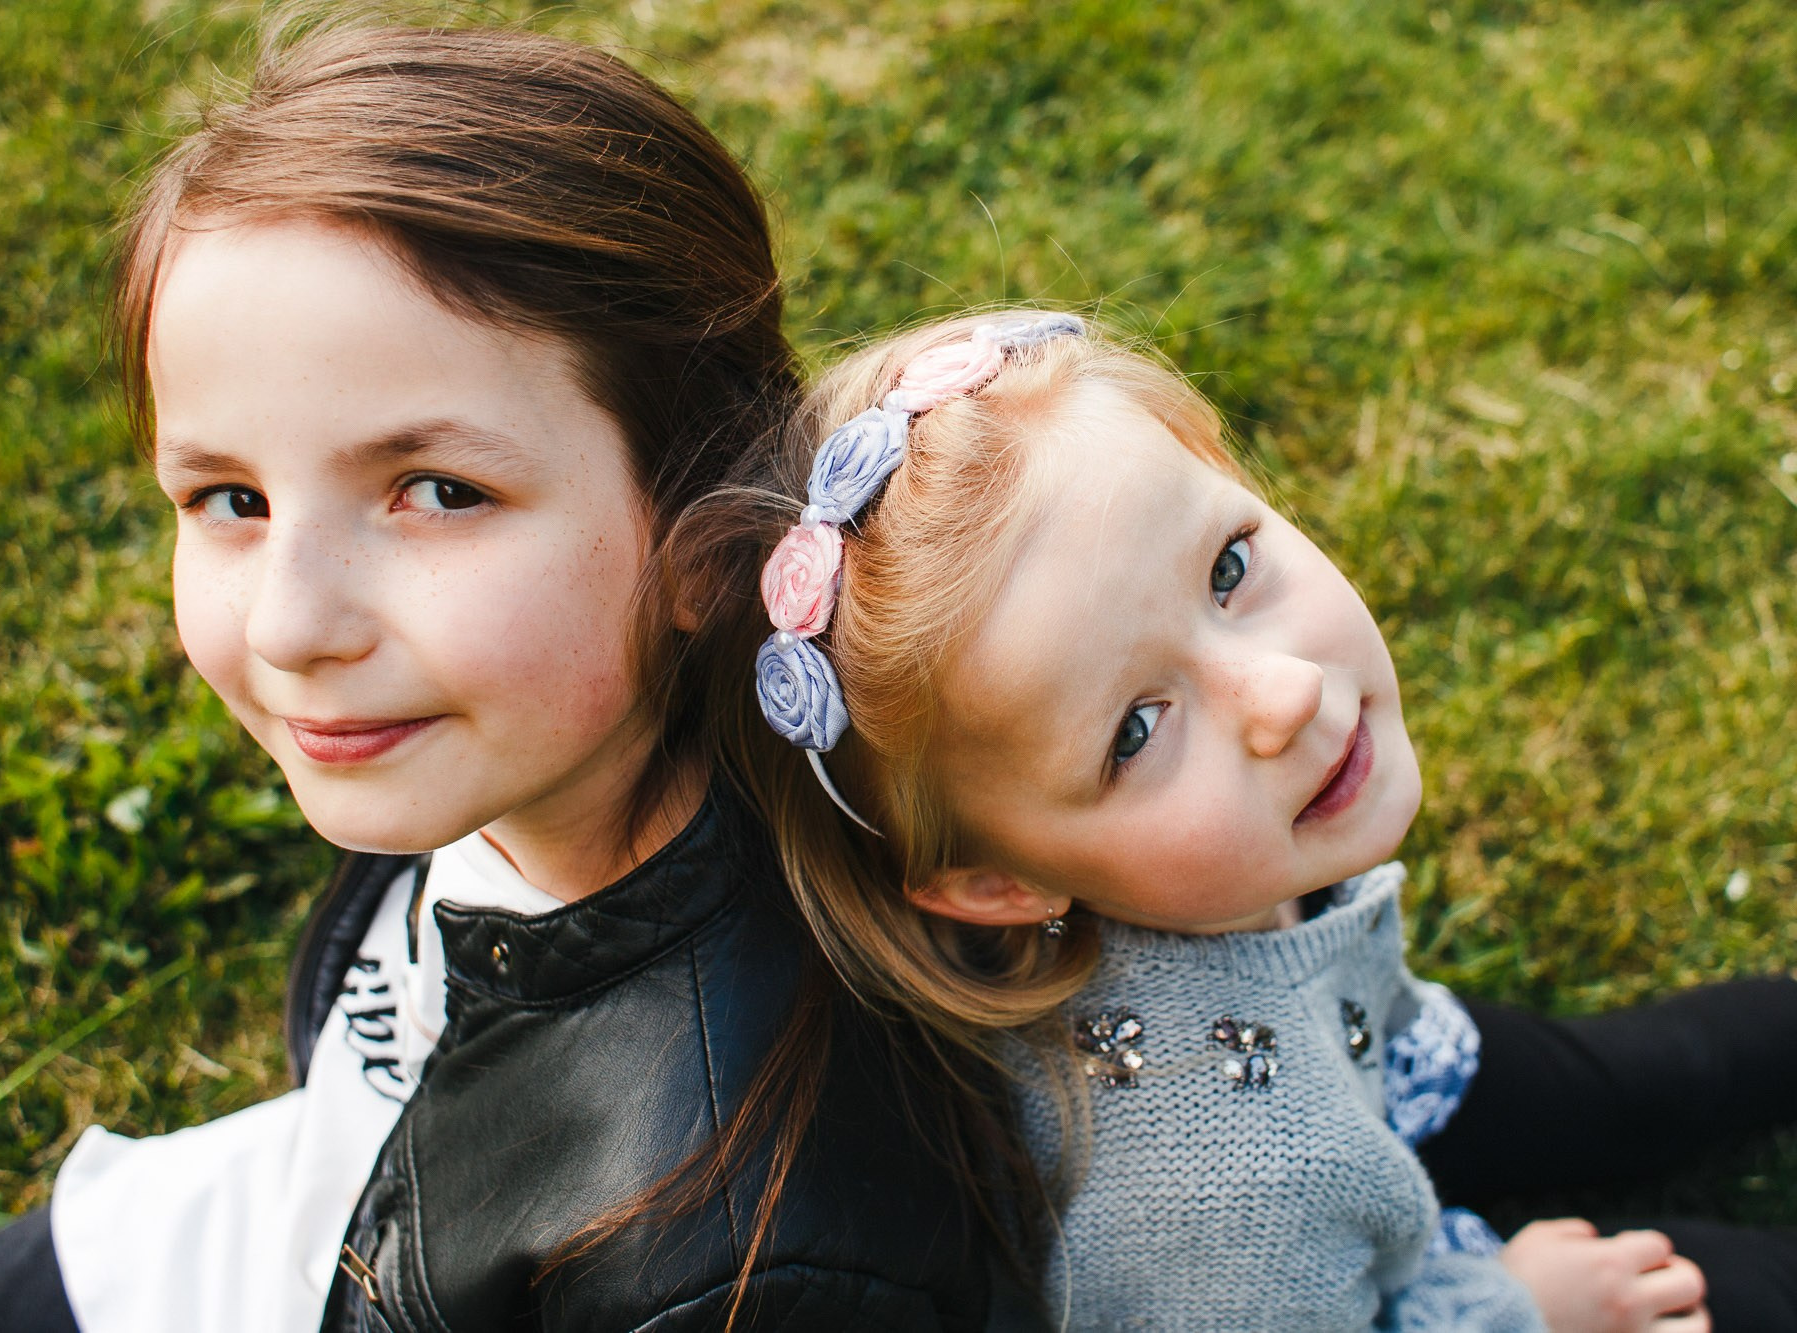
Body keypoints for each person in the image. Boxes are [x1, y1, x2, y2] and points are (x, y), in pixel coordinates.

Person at [0, 23, 1041, 1333]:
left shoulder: (736, 1263)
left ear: (710, 529)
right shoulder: (513, 751)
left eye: (438, 493)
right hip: (267, 1230)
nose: (289, 625)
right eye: (229, 497)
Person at [715, 307, 1797, 1330]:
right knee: (1732, 1284)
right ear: (1001, 885)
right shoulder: (1221, 1201)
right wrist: (1516, 1306)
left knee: (1683, 1065)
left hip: (1366, 1050)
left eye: (1227, 568)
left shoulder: (1225, 862)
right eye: (1134, 732)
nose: (1278, 695)